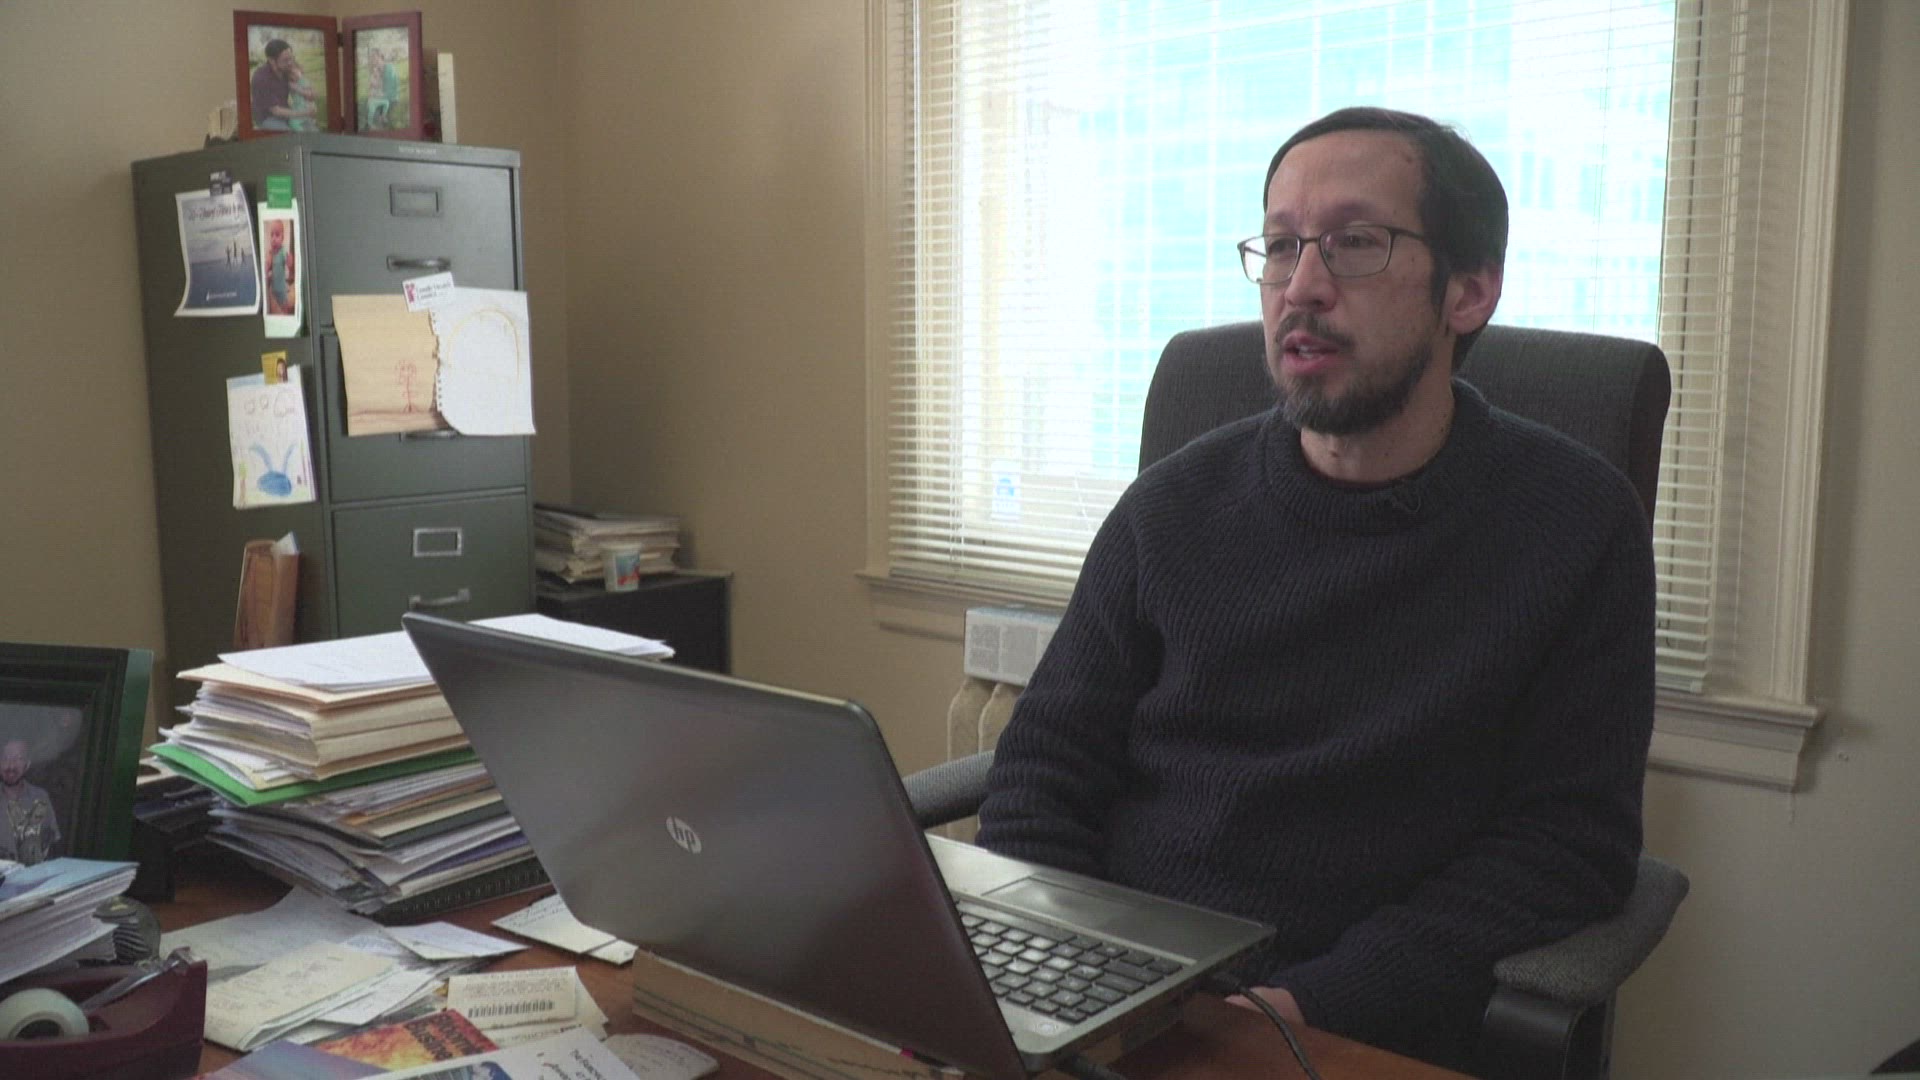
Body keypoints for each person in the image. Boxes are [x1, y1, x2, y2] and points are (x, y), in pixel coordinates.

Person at [974, 106, 1655, 1071]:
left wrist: (1308, 1005)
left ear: (1468, 291)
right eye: (1283, 246)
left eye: (1355, 243)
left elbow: (1568, 844)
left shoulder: (1575, 524)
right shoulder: (1168, 508)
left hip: (1354, 1023)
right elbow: (1044, 772)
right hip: (1115, 1001)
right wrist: (1074, 975)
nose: (1301, 286)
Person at [1, 738, 61, 865]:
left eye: (18, 759)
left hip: (32, 874)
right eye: (5, 758)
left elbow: (52, 842)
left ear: (27, 764)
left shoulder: (40, 797)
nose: (11, 765)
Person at [249, 39, 315, 131]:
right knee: (288, 135)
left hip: (286, 111)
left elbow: (304, 86)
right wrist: (305, 113)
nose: (290, 63)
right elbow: (276, 111)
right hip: (267, 117)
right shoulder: (261, 78)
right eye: (285, 60)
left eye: (291, 58)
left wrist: (308, 93)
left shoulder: (285, 69)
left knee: (311, 130)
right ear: (272, 60)